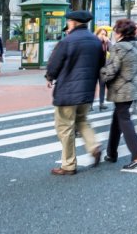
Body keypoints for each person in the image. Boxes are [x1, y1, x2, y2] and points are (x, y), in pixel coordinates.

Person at [45, 10, 105, 175]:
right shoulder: (95, 41)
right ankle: (93, 146)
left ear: (73, 22)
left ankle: (68, 164)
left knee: (65, 127)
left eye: (69, 21)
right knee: (82, 120)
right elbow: (101, 63)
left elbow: (54, 64)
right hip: (87, 90)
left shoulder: (67, 41)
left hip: (68, 91)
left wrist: (50, 77)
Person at [100, 18, 137, 169]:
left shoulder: (118, 47)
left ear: (120, 32)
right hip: (135, 87)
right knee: (118, 117)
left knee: (124, 120)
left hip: (121, 89)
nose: (114, 33)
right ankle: (111, 153)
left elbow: (112, 70)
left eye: (115, 30)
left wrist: (100, 73)